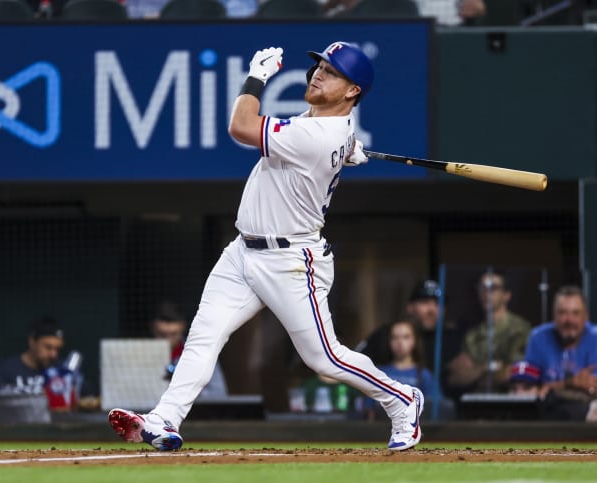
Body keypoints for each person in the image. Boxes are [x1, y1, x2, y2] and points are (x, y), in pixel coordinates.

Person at [108, 42, 424, 452]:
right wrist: (345, 149)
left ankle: (402, 399)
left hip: (292, 261)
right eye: (319, 66)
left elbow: (241, 127)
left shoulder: (319, 133)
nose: (317, 74)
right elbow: (320, 137)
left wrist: (255, 79)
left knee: (324, 358)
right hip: (243, 252)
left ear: (352, 92)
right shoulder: (328, 128)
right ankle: (164, 418)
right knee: (205, 335)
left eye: (331, 72)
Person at [524, 285, 597, 420]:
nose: (569, 320)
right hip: (543, 417)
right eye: (562, 313)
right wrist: (571, 383)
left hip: (588, 417)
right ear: (554, 316)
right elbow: (528, 390)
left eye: (575, 313)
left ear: (586, 316)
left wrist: (553, 388)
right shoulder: (538, 337)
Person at [446, 271, 532, 394]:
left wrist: (475, 374)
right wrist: (488, 367)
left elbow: (511, 374)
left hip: (509, 401)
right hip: (475, 403)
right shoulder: (473, 334)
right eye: (482, 287)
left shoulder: (520, 329)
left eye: (493, 288)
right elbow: (457, 378)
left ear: (506, 295)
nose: (486, 293)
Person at [0, 317, 90, 411]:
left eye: (57, 349)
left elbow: (88, 400)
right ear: (32, 342)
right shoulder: (5, 369)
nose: (53, 354)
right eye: (48, 347)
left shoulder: (64, 372)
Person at [150, 300, 228, 398]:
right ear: (153, 328)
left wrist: (185, 389)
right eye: (162, 335)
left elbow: (219, 394)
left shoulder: (200, 352)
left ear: (183, 327)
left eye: (173, 334)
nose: (168, 341)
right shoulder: (141, 354)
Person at [364, 320, 434, 420]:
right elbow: (369, 410)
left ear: (414, 341)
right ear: (389, 341)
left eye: (406, 337)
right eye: (395, 337)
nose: (400, 342)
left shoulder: (424, 375)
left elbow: (433, 409)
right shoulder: (379, 373)